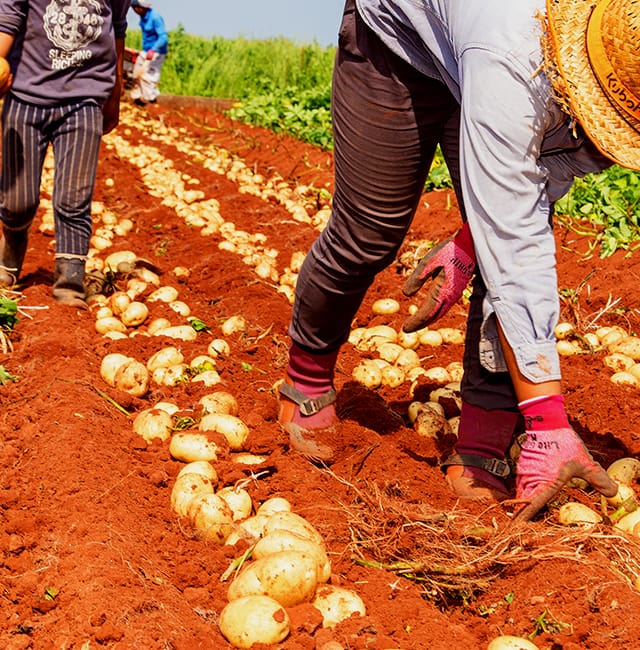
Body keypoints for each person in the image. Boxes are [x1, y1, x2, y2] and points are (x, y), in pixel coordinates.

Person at [278, 0, 640, 520]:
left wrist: (472, 245)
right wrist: (547, 417)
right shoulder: (514, 59)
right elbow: (513, 239)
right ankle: (306, 378)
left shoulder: (619, 54)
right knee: (371, 231)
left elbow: (536, 192)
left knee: (499, 257)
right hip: (397, 42)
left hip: (478, 46)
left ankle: (483, 442)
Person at [0, 0, 129, 307]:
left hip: (84, 98)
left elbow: (118, 28)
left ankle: (70, 280)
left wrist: (115, 90)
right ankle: (10, 253)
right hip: (25, 95)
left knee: (74, 197)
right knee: (17, 200)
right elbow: (8, 15)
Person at [129, 0, 168, 105]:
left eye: (134, 8)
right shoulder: (143, 17)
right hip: (146, 51)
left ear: (139, 8)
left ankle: (152, 100)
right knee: (136, 75)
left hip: (156, 52)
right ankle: (137, 100)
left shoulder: (155, 17)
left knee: (148, 77)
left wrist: (153, 50)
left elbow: (163, 37)